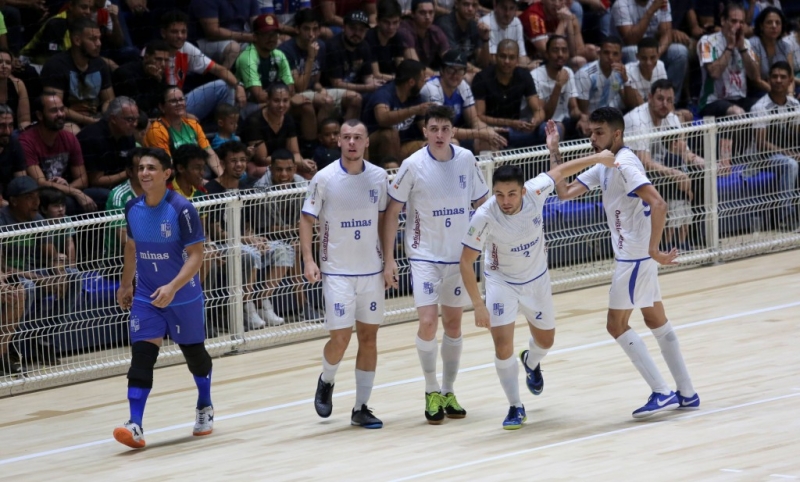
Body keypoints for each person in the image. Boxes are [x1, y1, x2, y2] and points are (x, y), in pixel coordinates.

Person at [548, 106, 699, 418]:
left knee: (615, 325)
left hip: (634, 257)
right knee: (656, 320)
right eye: (591, 131)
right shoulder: (605, 164)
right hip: (636, 256)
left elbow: (658, 203)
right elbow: (564, 192)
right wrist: (554, 152)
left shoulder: (624, 162)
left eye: (599, 132)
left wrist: (654, 249)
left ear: (616, 134)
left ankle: (661, 392)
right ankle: (687, 392)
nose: (592, 137)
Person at [459, 130, 615, 429]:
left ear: (523, 191)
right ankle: (515, 406)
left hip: (537, 280)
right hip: (501, 281)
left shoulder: (536, 190)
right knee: (502, 345)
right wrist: (478, 305)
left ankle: (531, 361)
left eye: (511, 194)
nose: (505, 201)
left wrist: (598, 158)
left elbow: (562, 170)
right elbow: (465, 261)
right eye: (499, 194)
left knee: (546, 340)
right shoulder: (484, 215)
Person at [382, 105, 489, 424]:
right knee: (428, 321)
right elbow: (392, 212)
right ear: (424, 131)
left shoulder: (467, 159)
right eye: (434, 129)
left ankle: (448, 390)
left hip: (458, 258)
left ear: (452, 131)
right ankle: (430, 390)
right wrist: (389, 259)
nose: (440, 134)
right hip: (424, 256)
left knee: (454, 325)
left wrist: (489, 244)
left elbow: (483, 204)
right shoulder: (412, 165)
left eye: (445, 128)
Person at [113, 147, 214, 449]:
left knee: (195, 356)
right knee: (142, 357)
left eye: (151, 168)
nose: (144, 173)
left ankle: (205, 405)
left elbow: (196, 256)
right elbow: (131, 248)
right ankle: (135, 424)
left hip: (182, 295)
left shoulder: (182, 208)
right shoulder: (132, 208)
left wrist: (172, 287)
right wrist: (125, 284)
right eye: (141, 167)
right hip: (146, 296)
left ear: (167, 173)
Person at [301, 119, 388, 429]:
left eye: (358, 137)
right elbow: (307, 219)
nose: (352, 142)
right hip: (337, 272)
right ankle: (327, 379)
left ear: (366, 142)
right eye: (346, 137)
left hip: (371, 272)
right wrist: (309, 260)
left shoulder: (379, 178)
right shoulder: (324, 179)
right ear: (338, 141)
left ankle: (361, 407)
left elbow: (384, 223)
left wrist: (388, 261)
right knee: (340, 339)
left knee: (369, 338)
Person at [624, 79, 703, 249]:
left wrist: (703, 161)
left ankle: (696, 237)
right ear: (650, 97)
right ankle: (662, 243)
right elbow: (644, 162)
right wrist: (675, 173)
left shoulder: (672, 118)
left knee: (701, 174)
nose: (665, 104)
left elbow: (684, 152)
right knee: (664, 179)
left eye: (669, 100)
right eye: (660, 99)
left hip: (657, 168)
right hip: (628, 173)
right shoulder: (638, 120)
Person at [20, 93, 99, 214]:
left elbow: (83, 180)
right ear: (40, 115)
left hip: (64, 188)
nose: (60, 114)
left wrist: (66, 187)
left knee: (102, 197)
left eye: (62, 109)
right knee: (69, 203)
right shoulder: (26, 141)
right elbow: (40, 183)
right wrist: (74, 191)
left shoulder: (69, 138)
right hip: (39, 196)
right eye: (54, 111)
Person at [420, 50, 507, 152]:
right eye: (451, 70)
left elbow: (474, 121)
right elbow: (443, 129)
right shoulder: (431, 88)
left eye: (460, 70)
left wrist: (488, 130)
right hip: (429, 136)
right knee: (452, 144)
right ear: (442, 70)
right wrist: (481, 133)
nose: (455, 75)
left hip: (456, 133)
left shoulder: (462, 85)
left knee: (489, 140)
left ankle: (488, 168)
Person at [39, 18, 115, 132]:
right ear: (77, 40)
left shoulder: (100, 64)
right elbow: (54, 107)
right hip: (66, 121)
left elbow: (109, 100)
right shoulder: (55, 65)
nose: (99, 43)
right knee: (73, 131)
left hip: (96, 118)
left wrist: (105, 115)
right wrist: (89, 121)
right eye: (93, 39)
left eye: (99, 38)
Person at [749, 61, 799, 231]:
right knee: (790, 164)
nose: (778, 80)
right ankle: (786, 216)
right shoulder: (760, 107)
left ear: (790, 80)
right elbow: (761, 144)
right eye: (775, 76)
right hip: (763, 158)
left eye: (783, 77)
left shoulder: (795, 105)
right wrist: (789, 154)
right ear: (768, 80)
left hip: (789, 152)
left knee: (791, 161)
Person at [472, 39, 544, 152]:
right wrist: (510, 123)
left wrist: (535, 122)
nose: (507, 61)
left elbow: (539, 110)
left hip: (517, 130)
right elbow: (479, 116)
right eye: (503, 56)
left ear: (517, 59)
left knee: (553, 130)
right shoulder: (482, 78)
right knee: (487, 140)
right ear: (495, 57)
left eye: (511, 57)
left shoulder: (524, 75)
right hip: (494, 131)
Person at [611, 0, 689, 102]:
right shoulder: (621, 4)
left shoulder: (662, 1)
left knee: (680, 51)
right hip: (627, 51)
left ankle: (671, 102)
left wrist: (655, 54)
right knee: (632, 50)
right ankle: (635, 102)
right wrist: (651, 10)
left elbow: (667, 33)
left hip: (652, 50)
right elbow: (631, 39)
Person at [696, 3, 761, 117]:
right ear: (723, 21)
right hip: (712, 101)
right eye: (734, 21)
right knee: (736, 112)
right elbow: (714, 73)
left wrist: (742, 49)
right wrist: (730, 46)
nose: (738, 26)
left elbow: (755, 76)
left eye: (741, 22)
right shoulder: (706, 41)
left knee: (762, 108)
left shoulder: (746, 43)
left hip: (740, 99)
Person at [143, 86, 222, 177]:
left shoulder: (193, 124)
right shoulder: (157, 130)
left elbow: (209, 153)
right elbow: (167, 166)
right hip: (174, 180)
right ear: (162, 107)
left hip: (199, 176)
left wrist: (222, 177)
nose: (179, 103)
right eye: (173, 101)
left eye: (181, 99)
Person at [363, 59, 430, 161]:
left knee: (430, 146)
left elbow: (423, 126)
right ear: (411, 82)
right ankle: (392, 171)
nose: (425, 83)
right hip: (371, 147)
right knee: (390, 134)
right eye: (423, 80)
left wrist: (429, 139)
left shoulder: (416, 97)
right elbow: (383, 118)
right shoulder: (384, 94)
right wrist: (413, 110)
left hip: (401, 147)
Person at [575, 36, 639, 136]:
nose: (610, 57)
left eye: (615, 54)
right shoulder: (586, 74)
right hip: (588, 117)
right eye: (606, 52)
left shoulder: (619, 72)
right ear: (599, 53)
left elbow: (630, 104)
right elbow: (583, 109)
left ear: (620, 56)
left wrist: (626, 80)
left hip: (608, 117)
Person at [77, 96, 138, 191]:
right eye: (129, 119)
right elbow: (95, 181)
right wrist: (129, 172)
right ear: (113, 119)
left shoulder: (128, 135)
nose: (134, 124)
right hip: (92, 191)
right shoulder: (92, 138)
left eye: (136, 119)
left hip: (119, 185)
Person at [531, 35, 582, 140]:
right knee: (553, 130)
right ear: (547, 54)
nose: (560, 55)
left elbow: (573, 108)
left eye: (564, 50)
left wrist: (583, 117)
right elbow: (545, 116)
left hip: (564, 121)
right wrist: (558, 86)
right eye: (555, 50)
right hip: (543, 125)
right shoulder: (535, 76)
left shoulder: (568, 72)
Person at [112, 39, 170, 119]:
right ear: (146, 58)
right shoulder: (125, 74)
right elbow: (139, 106)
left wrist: (158, 81)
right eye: (158, 59)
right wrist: (155, 82)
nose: (163, 64)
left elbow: (165, 100)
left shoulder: (159, 75)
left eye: (166, 60)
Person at [748, 6, 794, 98]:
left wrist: (790, 94)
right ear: (761, 25)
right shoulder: (753, 44)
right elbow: (756, 80)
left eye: (778, 23)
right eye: (769, 22)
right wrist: (778, 93)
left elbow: (791, 78)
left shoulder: (786, 46)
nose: (774, 26)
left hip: (783, 89)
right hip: (760, 91)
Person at [0, 48, 29, 130]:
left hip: (13, 133)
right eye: (0, 62)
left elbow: (24, 120)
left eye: (8, 63)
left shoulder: (18, 84)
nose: (4, 66)